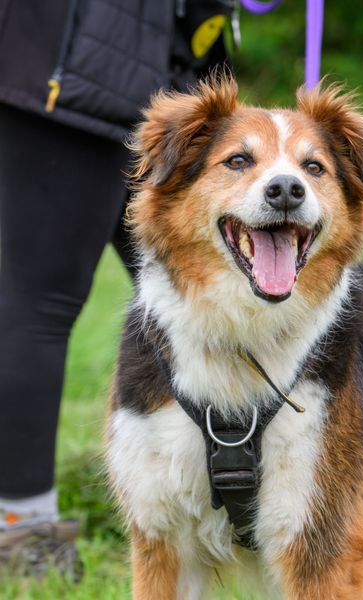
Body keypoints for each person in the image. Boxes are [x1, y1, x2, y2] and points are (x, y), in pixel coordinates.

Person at [0, 0, 231, 578]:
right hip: (76, 59)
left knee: (218, 302)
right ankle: (23, 535)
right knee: (41, 306)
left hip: (171, 71)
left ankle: (260, 503)